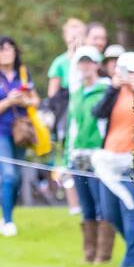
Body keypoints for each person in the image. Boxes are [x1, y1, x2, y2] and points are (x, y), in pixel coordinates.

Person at [92, 51, 134, 267]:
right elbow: (98, 112)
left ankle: (132, 261)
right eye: (123, 71)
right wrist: (113, 87)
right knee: (110, 212)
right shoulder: (114, 92)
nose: (127, 75)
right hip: (111, 159)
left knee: (129, 207)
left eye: (131, 71)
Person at [0, 36, 39, 237]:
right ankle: (8, 222)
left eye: (9, 49)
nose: (6, 53)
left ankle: (6, 216)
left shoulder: (23, 74)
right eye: (1, 49)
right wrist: (7, 101)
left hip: (21, 132)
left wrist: (24, 102)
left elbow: (35, 100)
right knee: (9, 174)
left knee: (18, 177)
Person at [64, 46, 115, 262]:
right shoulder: (75, 93)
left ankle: (103, 255)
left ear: (96, 65)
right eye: (81, 62)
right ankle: (89, 253)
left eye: (89, 62)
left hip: (98, 153)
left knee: (100, 203)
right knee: (85, 205)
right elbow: (71, 126)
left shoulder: (106, 89)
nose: (85, 66)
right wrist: (68, 154)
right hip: (78, 154)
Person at [47, 18, 86, 212]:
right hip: (66, 116)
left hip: (86, 114)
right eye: (71, 34)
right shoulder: (59, 63)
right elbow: (52, 95)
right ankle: (74, 204)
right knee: (65, 158)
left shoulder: (91, 59)